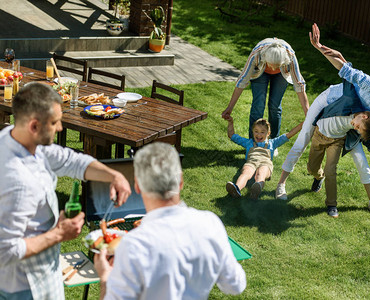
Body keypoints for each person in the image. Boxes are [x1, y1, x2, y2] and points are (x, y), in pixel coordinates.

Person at [0, 83, 132, 300]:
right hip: (25, 286)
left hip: (41, 271)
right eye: (55, 123)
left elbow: (71, 161)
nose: (60, 128)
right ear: (34, 126)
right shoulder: (18, 181)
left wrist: (114, 175)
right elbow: (6, 250)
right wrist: (60, 234)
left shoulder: (13, 136)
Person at [276, 23, 370, 218]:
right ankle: (281, 184)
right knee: (304, 137)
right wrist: (319, 48)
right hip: (330, 101)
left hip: (350, 121)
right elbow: (347, 70)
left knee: (360, 160)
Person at [94, 142, 246, 300]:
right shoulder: (210, 224)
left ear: (137, 186)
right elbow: (235, 284)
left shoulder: (133, 245)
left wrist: (105, 278)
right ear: (180, 181)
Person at [221, 37, 309, 141]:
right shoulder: (256, 54)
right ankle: (253, 142)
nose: (273, 69)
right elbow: (242, 81)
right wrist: (230, 108)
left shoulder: (290, 56)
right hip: (260, 73)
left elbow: (299, 85)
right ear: (265, 58)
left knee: (275, 106)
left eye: (277, 66)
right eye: (271, 65)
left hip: (281, 75)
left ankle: (273, 142)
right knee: (258, 105)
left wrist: (308, 113)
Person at [307, 107, 370, 218]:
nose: (355, 128)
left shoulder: (359, 123)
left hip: (337, 141)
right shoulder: (349, 105)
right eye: (357, 127)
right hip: (319, 134)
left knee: (330, 170)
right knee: (312, 168)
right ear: (364, 116)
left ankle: (331, 205)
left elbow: (364, 137)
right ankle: (319, 177)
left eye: (358, 129)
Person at [226, 116, 302, 200]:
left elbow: (289, 134)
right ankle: (236, 189)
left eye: (262, 132)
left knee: (260, 174)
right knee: (246, 172)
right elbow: (232, 135)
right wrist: (230, 122)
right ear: (252, 132)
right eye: (256, 131)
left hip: (265, 164)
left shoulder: (273, 143)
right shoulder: (249, 142)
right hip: (251, 162)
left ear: (268, 133)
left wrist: (303, 124)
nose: (259, 135)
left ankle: (256, 191)